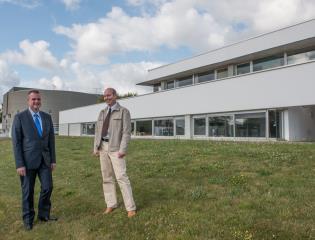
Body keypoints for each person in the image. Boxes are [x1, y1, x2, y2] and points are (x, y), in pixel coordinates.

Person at [11, 89, 57, 231]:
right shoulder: (20, 117)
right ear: (28, 101)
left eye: (38, 99)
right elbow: (16, 142)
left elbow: (51, 140)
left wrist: (53, 160)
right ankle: (28, 219)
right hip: (27, 162)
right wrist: (19, 164)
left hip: (45, 161)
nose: (36, 101)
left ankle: (43, 215)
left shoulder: (47, 117)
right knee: (27, 192)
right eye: (33, 99)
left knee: (48, 187)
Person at [93, 88, 136, 218]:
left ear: (115, 96)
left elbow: (126, 132)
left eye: (109, 95)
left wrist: (122, 150)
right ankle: (111, 204)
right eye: (105, 96)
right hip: (103, 147)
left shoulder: (124, 112)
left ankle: (130, 207)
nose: (107, 98)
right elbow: (98, 131)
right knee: (106, 177)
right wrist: (96, 147)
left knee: (121, 177)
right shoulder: (102, 112)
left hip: (116, 148)